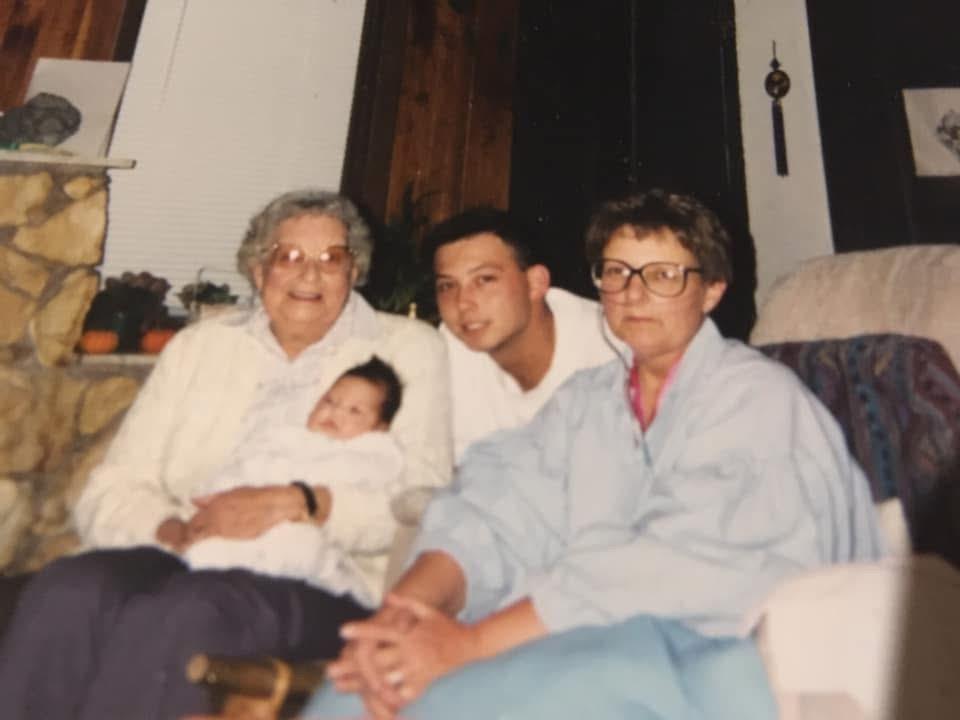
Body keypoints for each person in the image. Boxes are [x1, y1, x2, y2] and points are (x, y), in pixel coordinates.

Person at [305, 189, 884, 720]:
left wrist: (471, 645)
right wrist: (400, 618)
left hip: (709, 652)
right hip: (585, 632)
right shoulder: (589, 401)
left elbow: (678, 567)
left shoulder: (758, 398)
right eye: (616, 272)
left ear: (711, 289)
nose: (633, 294)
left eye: (663, 275)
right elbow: (491, 509)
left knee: (463, 701)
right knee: (350, 693)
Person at [0, 189, 452, 720]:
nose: (310, 275)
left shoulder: (407, 349)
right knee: (69, 589)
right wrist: (173, 530)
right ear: (259, 271)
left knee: (187, 611)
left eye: (332, 258)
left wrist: (302, 502)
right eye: (289, 256)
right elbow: (116, 482)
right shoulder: (201, 346)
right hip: (187, 551)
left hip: (323, 575)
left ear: (354, 272)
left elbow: (422, 503)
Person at [183, 356, 405, 608]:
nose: (335, 412)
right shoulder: (284, 439)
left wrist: (298, 498)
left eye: (355, 411)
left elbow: (372, 500)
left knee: (301, 545)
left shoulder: (370, 455)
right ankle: (213, 567)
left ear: (380, 428)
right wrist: (214, 497)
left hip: (303, 534)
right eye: (329, 401)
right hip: (245, 525)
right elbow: (244, 467)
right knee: (208, 548)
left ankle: (249, 578)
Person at [422, 207, 623, 461]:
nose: (462, 303)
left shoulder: (612, 347)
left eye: (484, 280)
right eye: (447, 285)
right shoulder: (454, 346)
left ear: (535, 283)